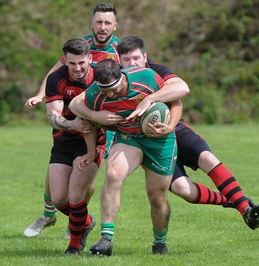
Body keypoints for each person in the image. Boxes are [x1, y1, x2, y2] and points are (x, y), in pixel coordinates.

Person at [70, 35, 259, 233]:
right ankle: (229, 201)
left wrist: (152, 101)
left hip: (174, 128)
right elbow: (77, 102)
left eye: (136, 58)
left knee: (207, 158)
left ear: (145, 57)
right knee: (183, 190)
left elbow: (182, 88)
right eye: (126, 60)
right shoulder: (113, 81)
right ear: (119, 62)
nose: (132, 63)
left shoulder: (156, 71)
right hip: (148, 140)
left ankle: (245, 209)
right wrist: (96, 115)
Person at [23, 3, 120, 239]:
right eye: (99, 22)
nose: (102, 27)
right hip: (68, 120)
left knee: (85, 178)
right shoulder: (80, 46)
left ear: (115, 26)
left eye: (107, 23)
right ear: (92, 23)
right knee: (57, 168)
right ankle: (50, 213)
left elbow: (127, 82)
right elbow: (55, 71)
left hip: (99, 123)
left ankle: (75, 222)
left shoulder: (119, 52)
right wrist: (41, 94)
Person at [72, 58, 184, 255]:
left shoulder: (146, 77)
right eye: (105, 90)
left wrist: (170, 126)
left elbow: (176, 100)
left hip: (160, 140)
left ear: (121, 76)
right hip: (128, 137)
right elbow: (78, 110)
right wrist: (94, 117)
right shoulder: (97, 94)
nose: (111, 94)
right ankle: (106, 239)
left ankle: (160, 241)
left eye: (114, 88)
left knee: (157, 197)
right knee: (113, 174)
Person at [44, 38, 107, 256]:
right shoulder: (56, 78)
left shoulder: (101, 76)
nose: (78, 68)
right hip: (63, 140)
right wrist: (72, 123)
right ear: (66, 62)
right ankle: (86, 222)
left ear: (90, 58)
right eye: (72, 64)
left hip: (93, 141)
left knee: (75, 195)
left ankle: (74, 245)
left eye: (82, 63)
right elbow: (53, 116)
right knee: (59, 199)